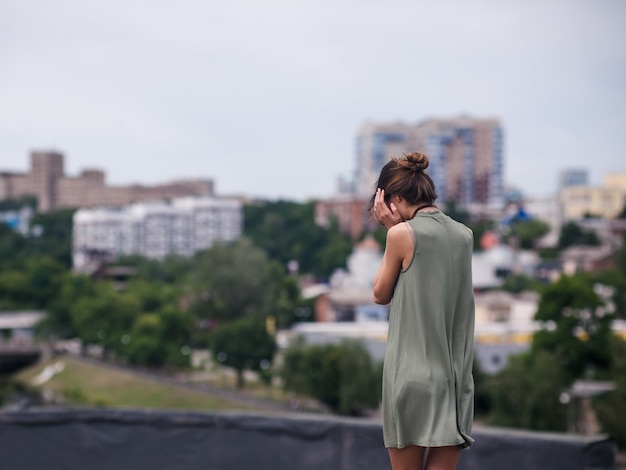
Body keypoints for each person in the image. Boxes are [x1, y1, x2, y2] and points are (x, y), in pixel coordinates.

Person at [371, 152, 475, 470]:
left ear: (395, 198)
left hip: (410, 379)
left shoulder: (400, 234)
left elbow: (380, 294)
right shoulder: (465, 235)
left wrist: (392, 229)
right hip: (455, 381)